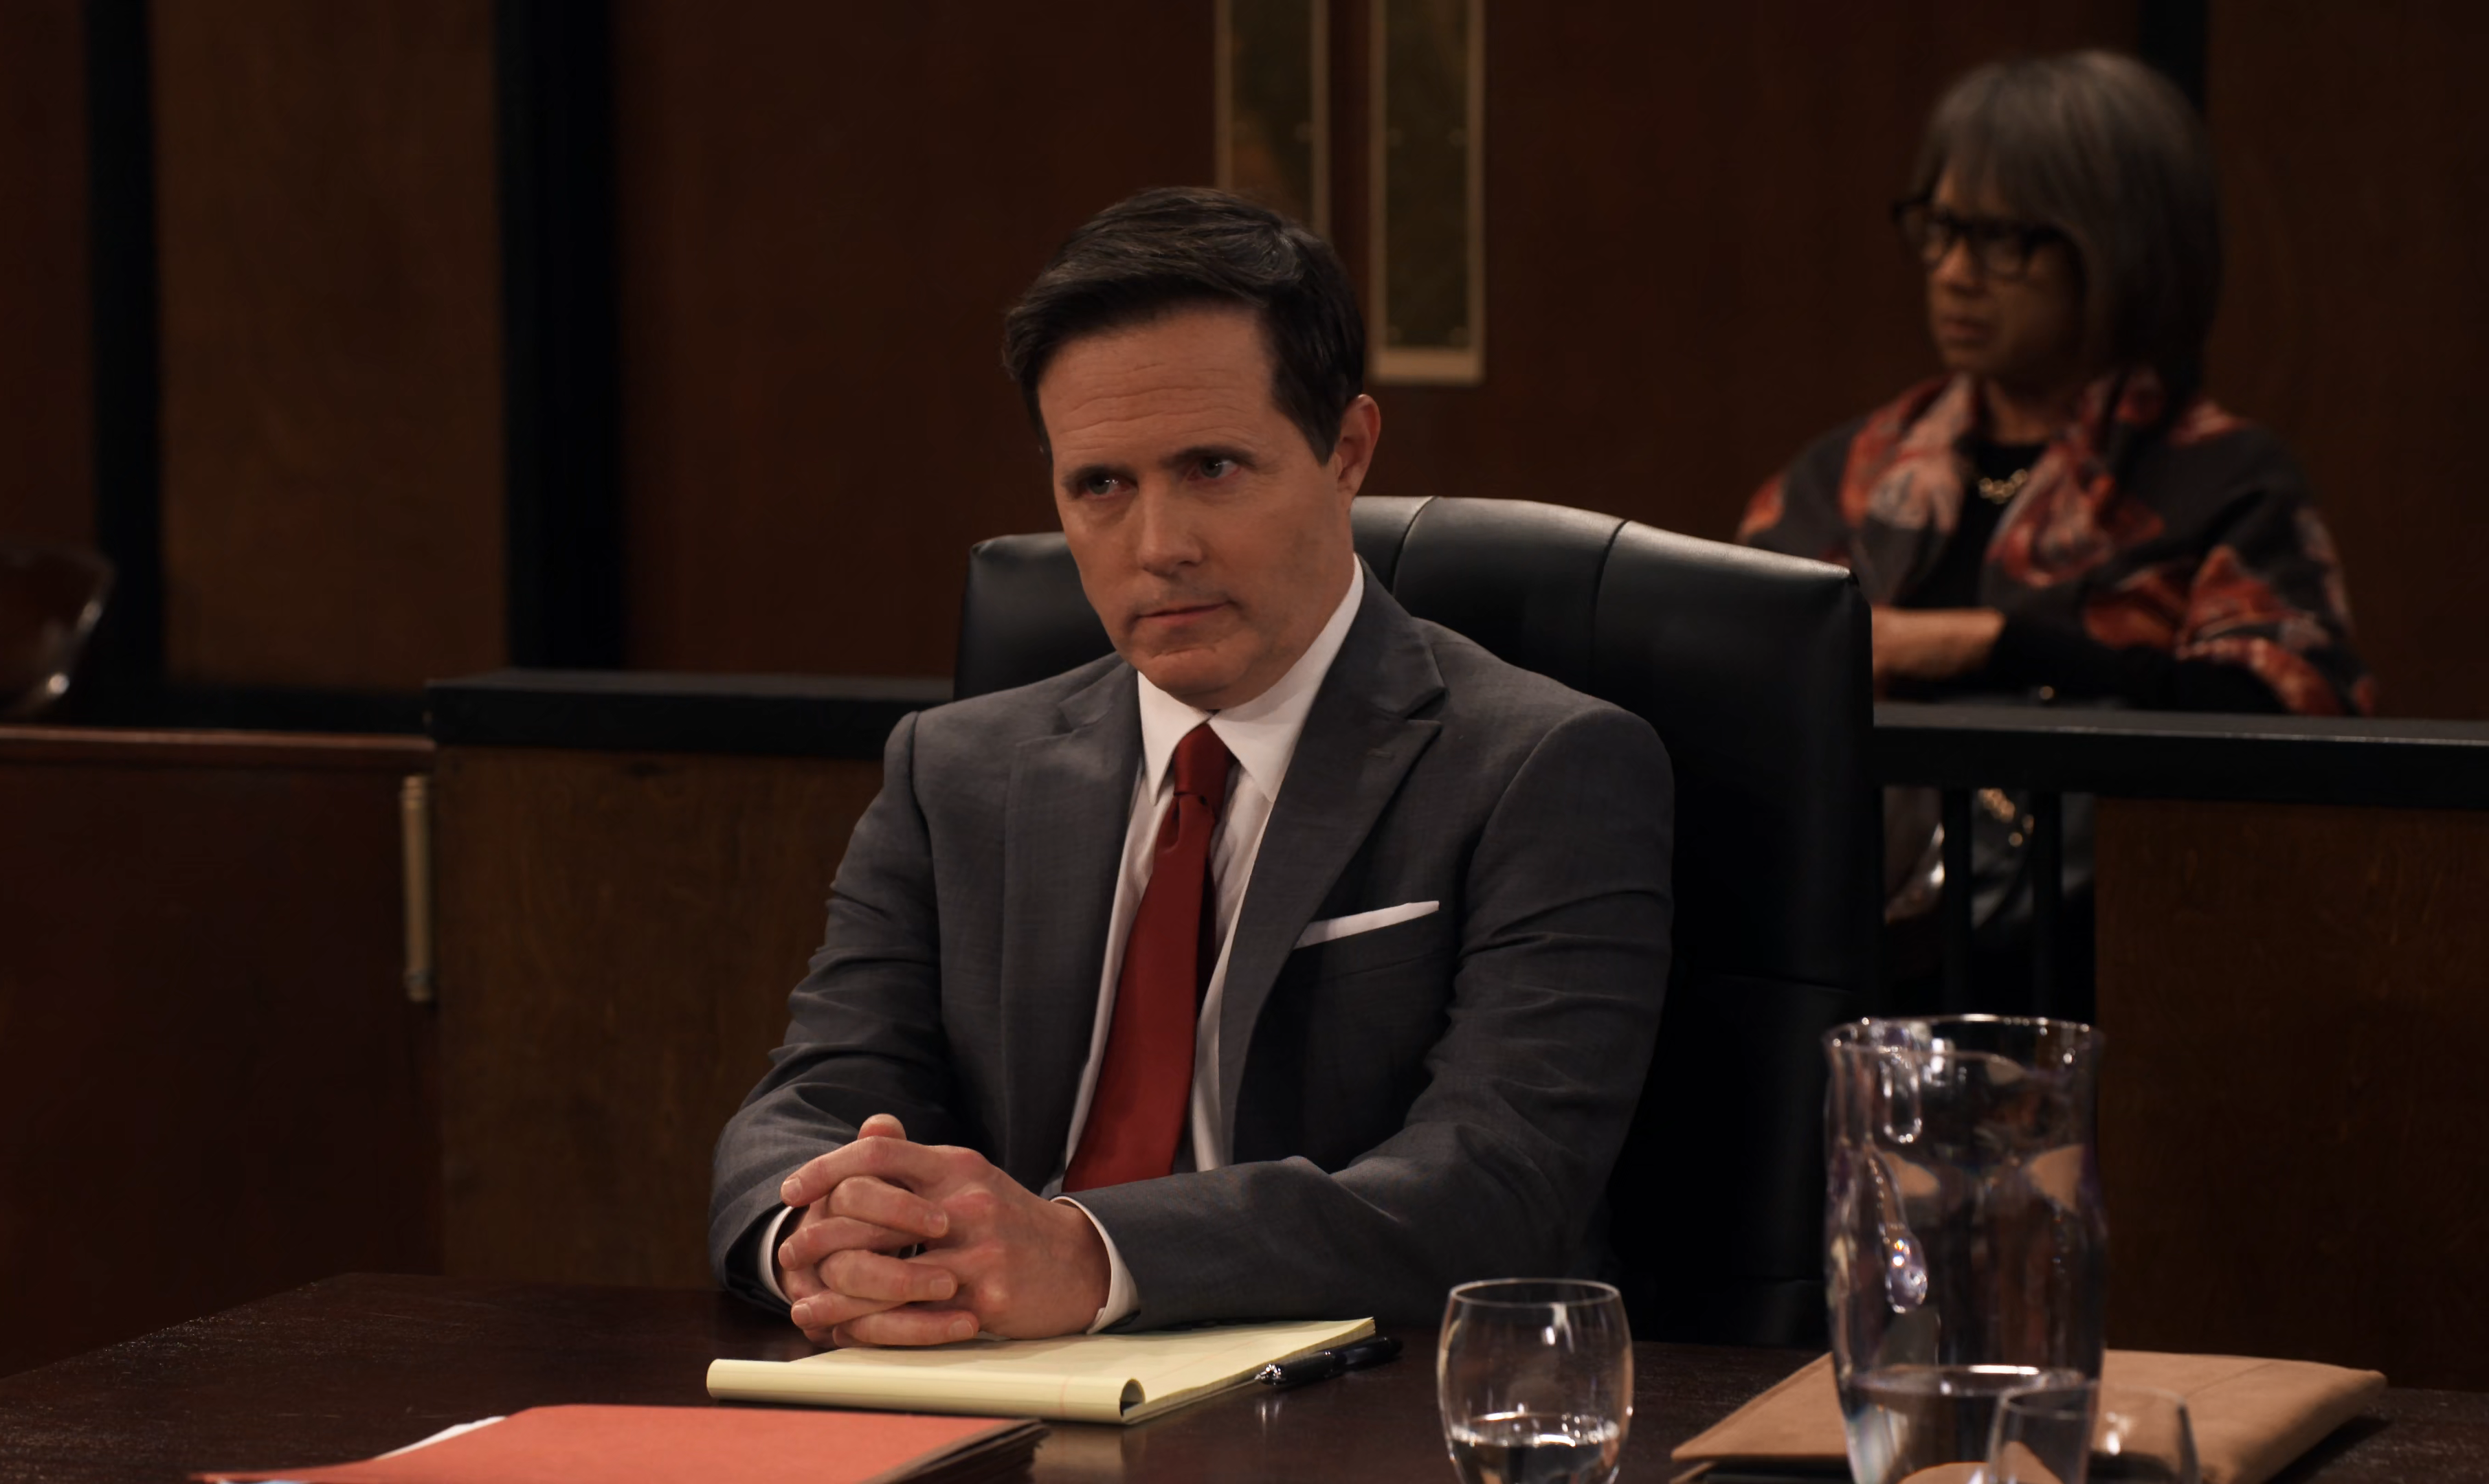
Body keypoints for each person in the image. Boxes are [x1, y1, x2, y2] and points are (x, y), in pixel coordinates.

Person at [708, 188, 1673, 1347]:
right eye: (1100, 487)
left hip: (1354, 1401)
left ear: (1347, 451)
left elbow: (1496, 1187)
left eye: (1212, 467)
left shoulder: (1542, 768)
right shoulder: (954, 772)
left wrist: (1091, 1256)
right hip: (980, 1373)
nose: (1159, 546)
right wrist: (821, 1237)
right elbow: (806, 1106)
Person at [1739, 49, 2371, 719]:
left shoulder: (2226, 485)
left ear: (2119, 248)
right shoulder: (1847, 474)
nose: (1953, 272)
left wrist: (1994, 646)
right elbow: (1731, 666)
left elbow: (2291, 717)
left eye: (2001, 238)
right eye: (1943, 228)